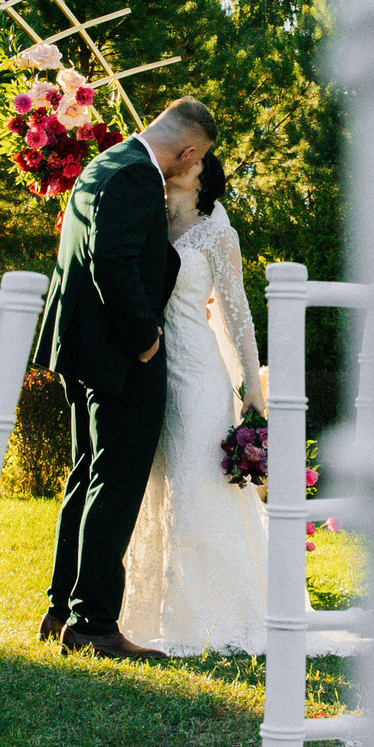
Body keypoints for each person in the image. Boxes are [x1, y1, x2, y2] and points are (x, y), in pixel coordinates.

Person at [31, 96, 216, 661]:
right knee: (116, 483)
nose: (194, 170)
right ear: (188, 149)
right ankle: (94, 625)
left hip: (80, 347)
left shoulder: (103, 164)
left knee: (87, 477)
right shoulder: (139, 177)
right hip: (120, 353)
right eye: (197, 159)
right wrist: (145, 339)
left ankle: (62, 606)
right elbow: (112, 261)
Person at [115, 148, 272, 655]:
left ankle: (215, 610)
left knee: (199, 481)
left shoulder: (218, 236)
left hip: (199, 375)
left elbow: (238, 313)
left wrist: (252, 383)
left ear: (203, 175)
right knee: (158, 481)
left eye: (195, 160)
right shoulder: (149, 222)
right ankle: (155, 604)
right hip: (150, 370)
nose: (183, 163)